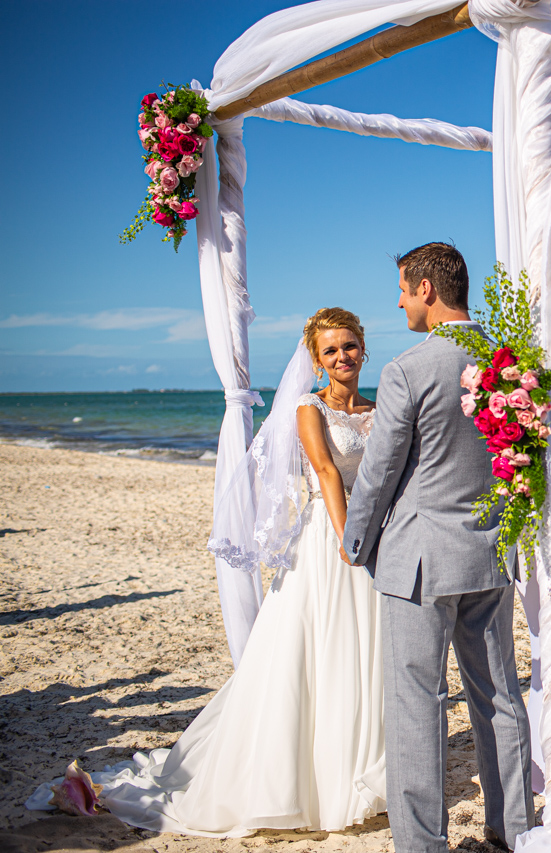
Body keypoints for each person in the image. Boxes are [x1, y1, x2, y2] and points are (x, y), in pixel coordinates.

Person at [31, 309, 387, 837]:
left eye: (350, 346)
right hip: (328, 540)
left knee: (360, 653)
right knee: (311, 653)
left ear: (364, 348)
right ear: (315, 360)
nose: (342, 357)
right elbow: (328, 471)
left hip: (366, 535)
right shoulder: (308, 409)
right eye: (331, 350)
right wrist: (347, 539)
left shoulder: (379, 412)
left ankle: (356, 772)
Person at [344, 242, 533, 853]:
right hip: (488, 555)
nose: (399, 301)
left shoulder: (407, 369)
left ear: (427, 289)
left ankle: (422, 846)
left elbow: (378, 473)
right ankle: (515, 834)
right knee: (499, 697)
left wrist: (355, 545)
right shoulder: (510, 362)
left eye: (402, 288)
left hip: (420, 563)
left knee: (416, 709)